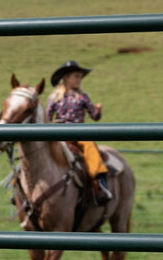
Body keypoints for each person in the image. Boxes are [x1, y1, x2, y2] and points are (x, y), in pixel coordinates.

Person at [46, 60, 113, 203]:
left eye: (80, 77)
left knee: (90, 147)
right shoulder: (54, 98)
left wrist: (98, 111)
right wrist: (52, 126)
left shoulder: (83, 97)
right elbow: (47, 118)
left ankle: (99, 184)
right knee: (39, 150)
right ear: (66, 78)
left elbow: (94, 116)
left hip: (79, 132)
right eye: (76, 76)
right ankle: (18, 182)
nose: (79, 80)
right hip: (59, 133)